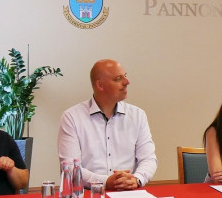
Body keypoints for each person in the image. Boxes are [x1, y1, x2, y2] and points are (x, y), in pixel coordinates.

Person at [57, 59, 158, 191]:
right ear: (100, 85)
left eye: (125, 76)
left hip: (129, 192)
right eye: (118, 79)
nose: (127, 82)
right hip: (89, 195)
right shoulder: (72, 117)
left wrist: (136, 179)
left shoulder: (138, 115)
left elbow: (148, 159)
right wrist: (105, 181)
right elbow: (69, 168)